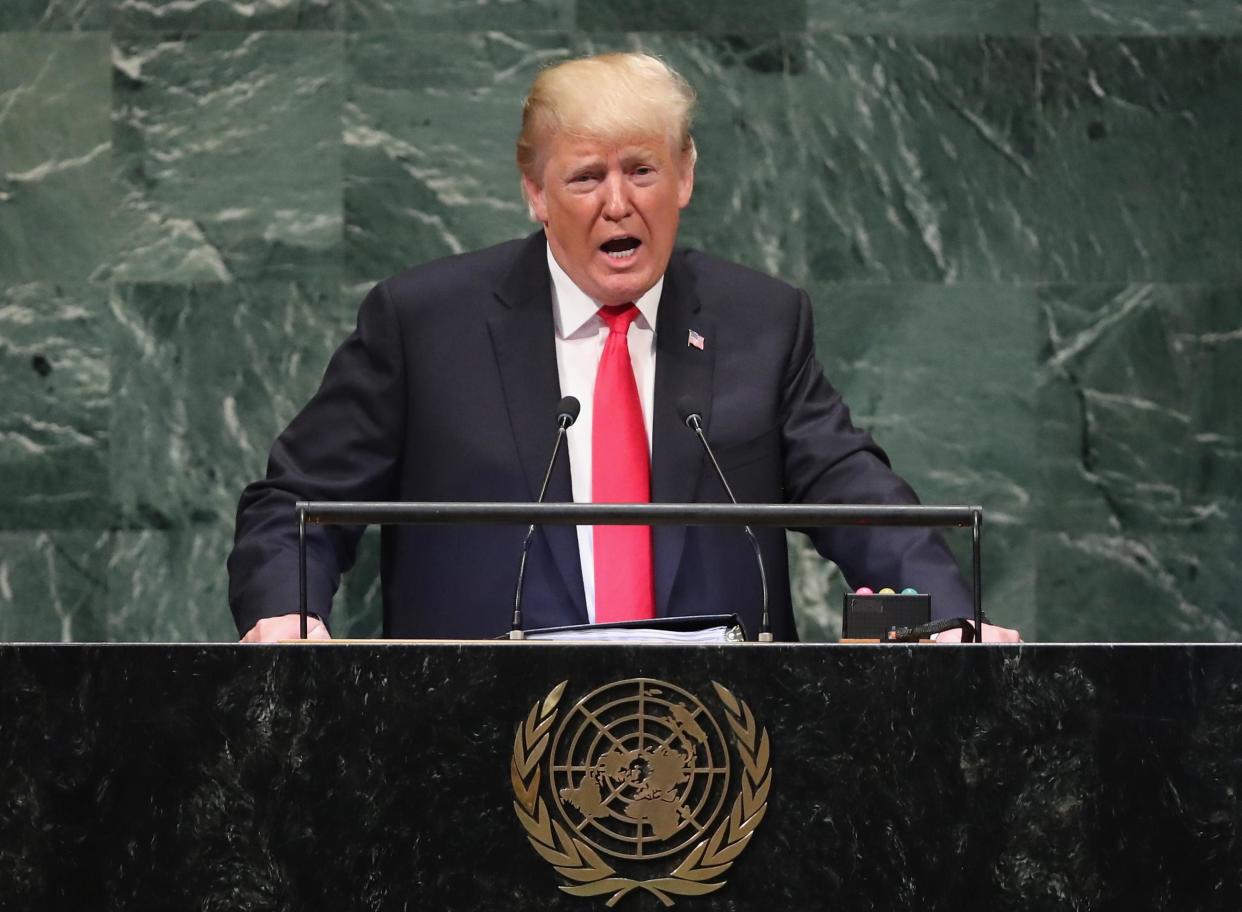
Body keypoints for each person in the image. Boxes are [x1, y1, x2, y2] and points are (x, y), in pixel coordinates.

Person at [229, 52, 1019, 644]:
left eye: (642, 169)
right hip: (465, 753)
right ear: (534, 191)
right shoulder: (426, 322)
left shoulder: (759, 321)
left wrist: (947, 615)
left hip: (715, 760)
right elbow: (295, 502)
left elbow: (853, 492)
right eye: (585, 178)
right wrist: (285, 608)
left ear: (685, 176)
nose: (618, 203)